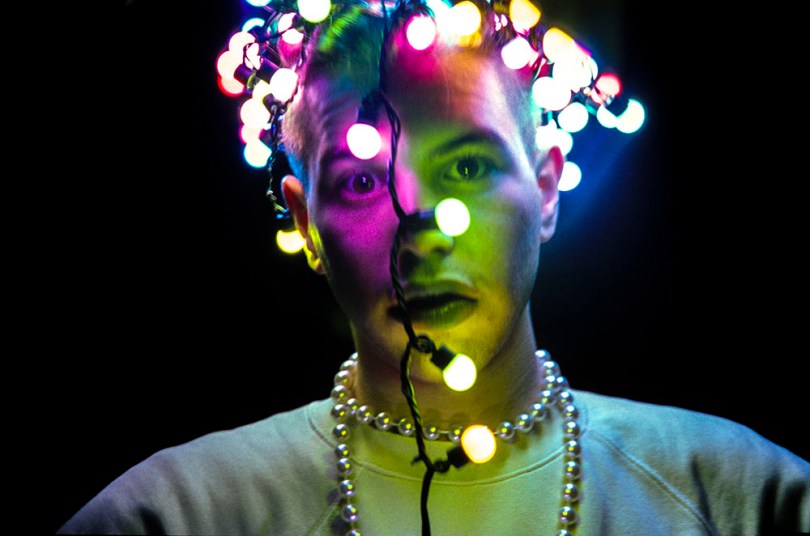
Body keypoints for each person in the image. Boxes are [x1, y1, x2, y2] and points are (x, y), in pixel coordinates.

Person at [59, 0, 809, 534]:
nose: (418, 229)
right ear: (305, 224)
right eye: (362, 180)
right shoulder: (173, 515)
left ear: (546, 188)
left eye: (469, 166)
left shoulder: (745, 499)